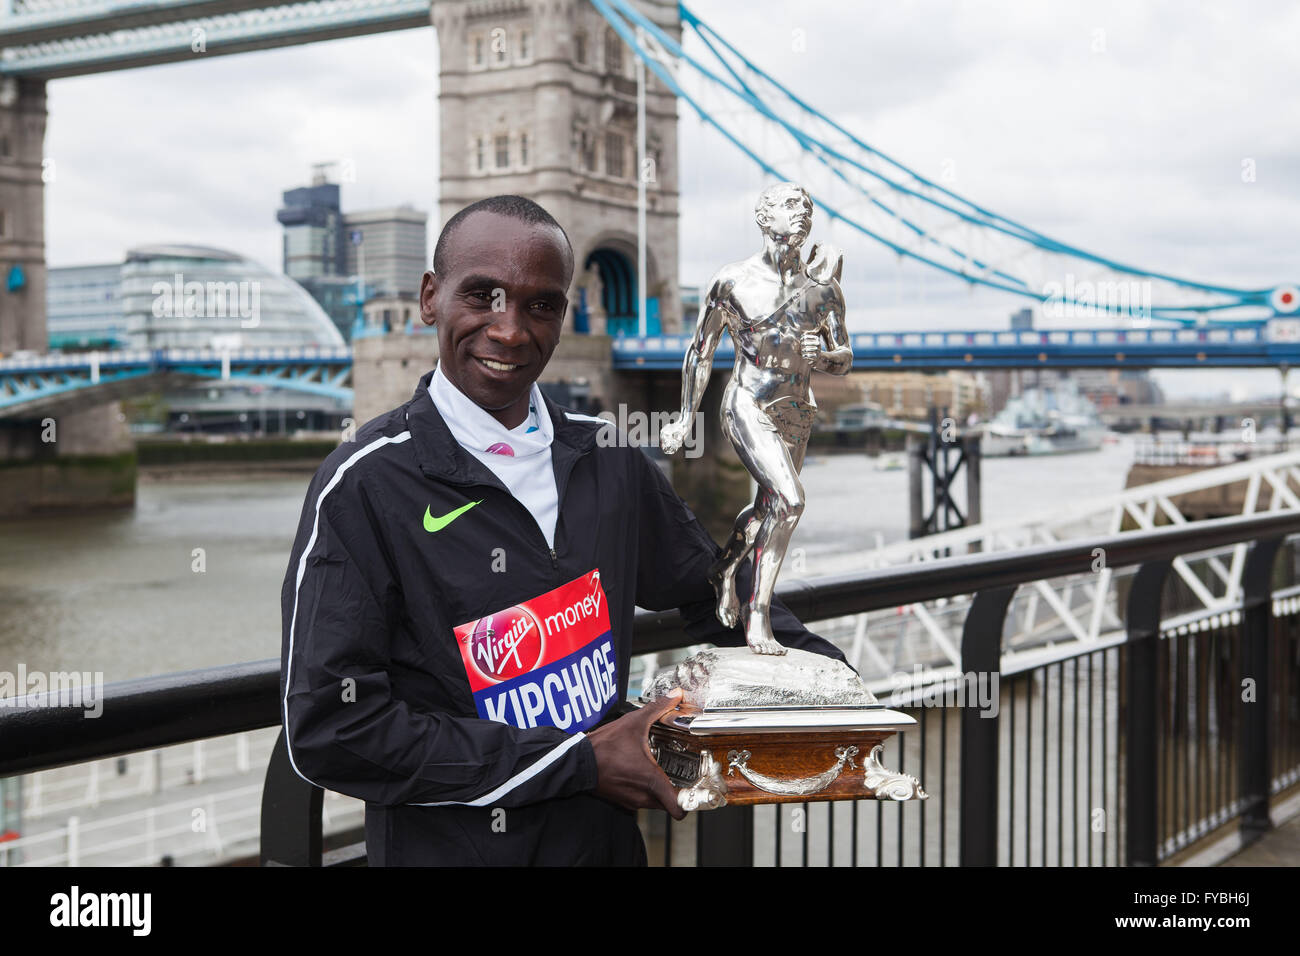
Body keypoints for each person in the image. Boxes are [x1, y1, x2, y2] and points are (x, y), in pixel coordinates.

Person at [279, 194, 848, 866]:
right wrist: (577, 761)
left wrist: (829, 678)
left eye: (540, 305)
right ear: (430, 297)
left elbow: (715, 594)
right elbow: (332, 729)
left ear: (563, 315)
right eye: (482, 295)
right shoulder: (365, 486)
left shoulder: (609, 459)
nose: (510, 330)